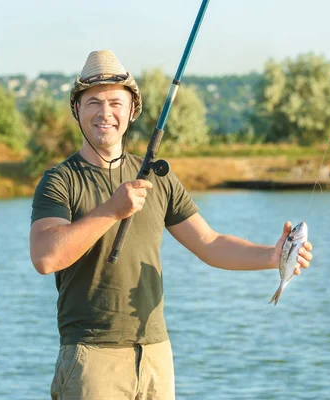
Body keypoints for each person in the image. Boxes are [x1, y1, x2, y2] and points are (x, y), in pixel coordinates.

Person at [29, 50, 313, 400]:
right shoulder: (60, 181)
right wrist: (112, 210)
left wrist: (273, 255)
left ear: (132, 111)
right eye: (93, 103)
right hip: (91, 356)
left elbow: (209, 243)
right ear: (77, 110)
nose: (105, 113)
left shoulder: (157, 178)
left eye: (116, 103)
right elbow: (45, 257)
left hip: (156, 355)